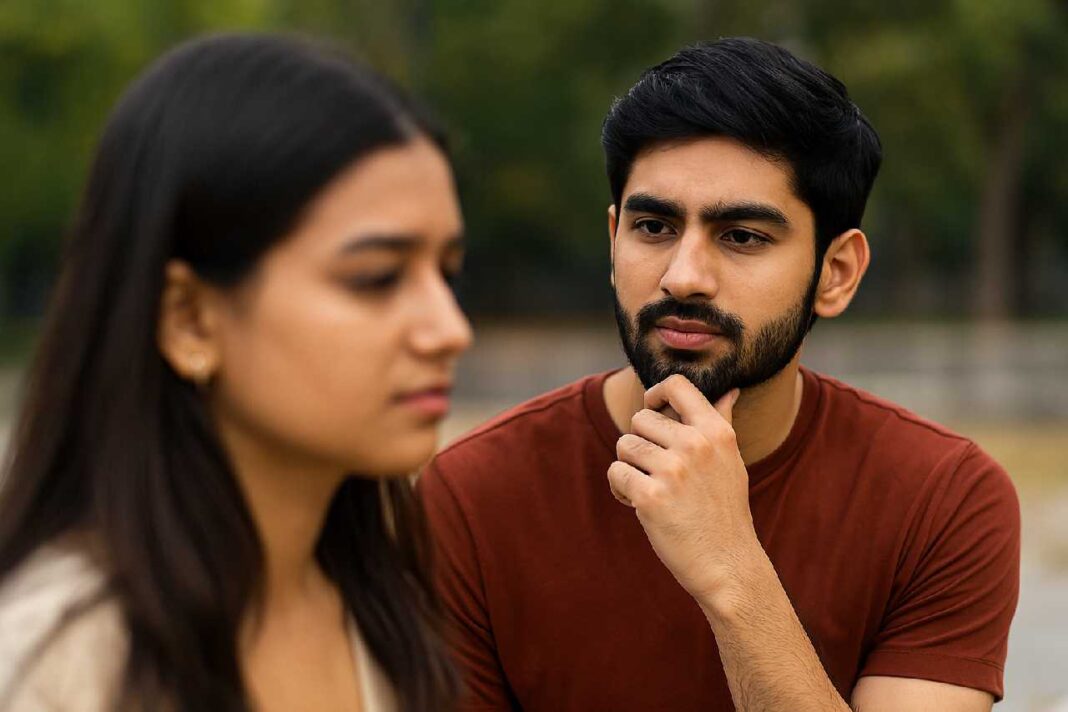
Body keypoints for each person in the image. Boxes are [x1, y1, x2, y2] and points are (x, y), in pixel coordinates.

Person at [420, 37, 1019, 711]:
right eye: (653, 227)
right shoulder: (473, 496)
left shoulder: (943, 501)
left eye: (742, 237)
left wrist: (730, 571)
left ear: (836, 273)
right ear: (614, 242)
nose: (683, 277)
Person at [0, 33, 471, 712]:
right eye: (377, 277)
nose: (450, 329)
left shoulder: (389, 613)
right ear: (189, 319)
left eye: (448, 273)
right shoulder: (55, 662)